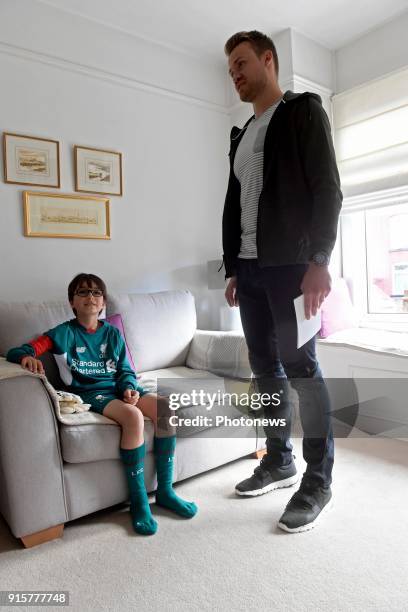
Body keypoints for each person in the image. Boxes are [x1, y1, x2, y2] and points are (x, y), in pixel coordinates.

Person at [222, 31, 342, 532]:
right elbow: (237, 205)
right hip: (249, 270)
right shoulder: (241, 133)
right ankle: (279, 459)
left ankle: (317, 479)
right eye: (231, 70)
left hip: (291, 267)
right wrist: (233, 266)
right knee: (265, 369)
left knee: (302, 370)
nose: (237, 75)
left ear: (269, 60)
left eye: (243, 63)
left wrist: (319, 258)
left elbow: (327, 189)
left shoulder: (302, 112)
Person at [6, 272, 197, 536]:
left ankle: (165, 491)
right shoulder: (62, 333)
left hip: (120, 388)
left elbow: (125, 370)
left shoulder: (113, 334)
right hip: (91, 393)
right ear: (72, 301)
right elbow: (19, 351)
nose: (90, 297)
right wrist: (27, 358)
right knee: (132, 418)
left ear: (103, 301)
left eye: (96, 293)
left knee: (164, 408)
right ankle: (139, 501)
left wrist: (130, 387)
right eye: (83, 292)